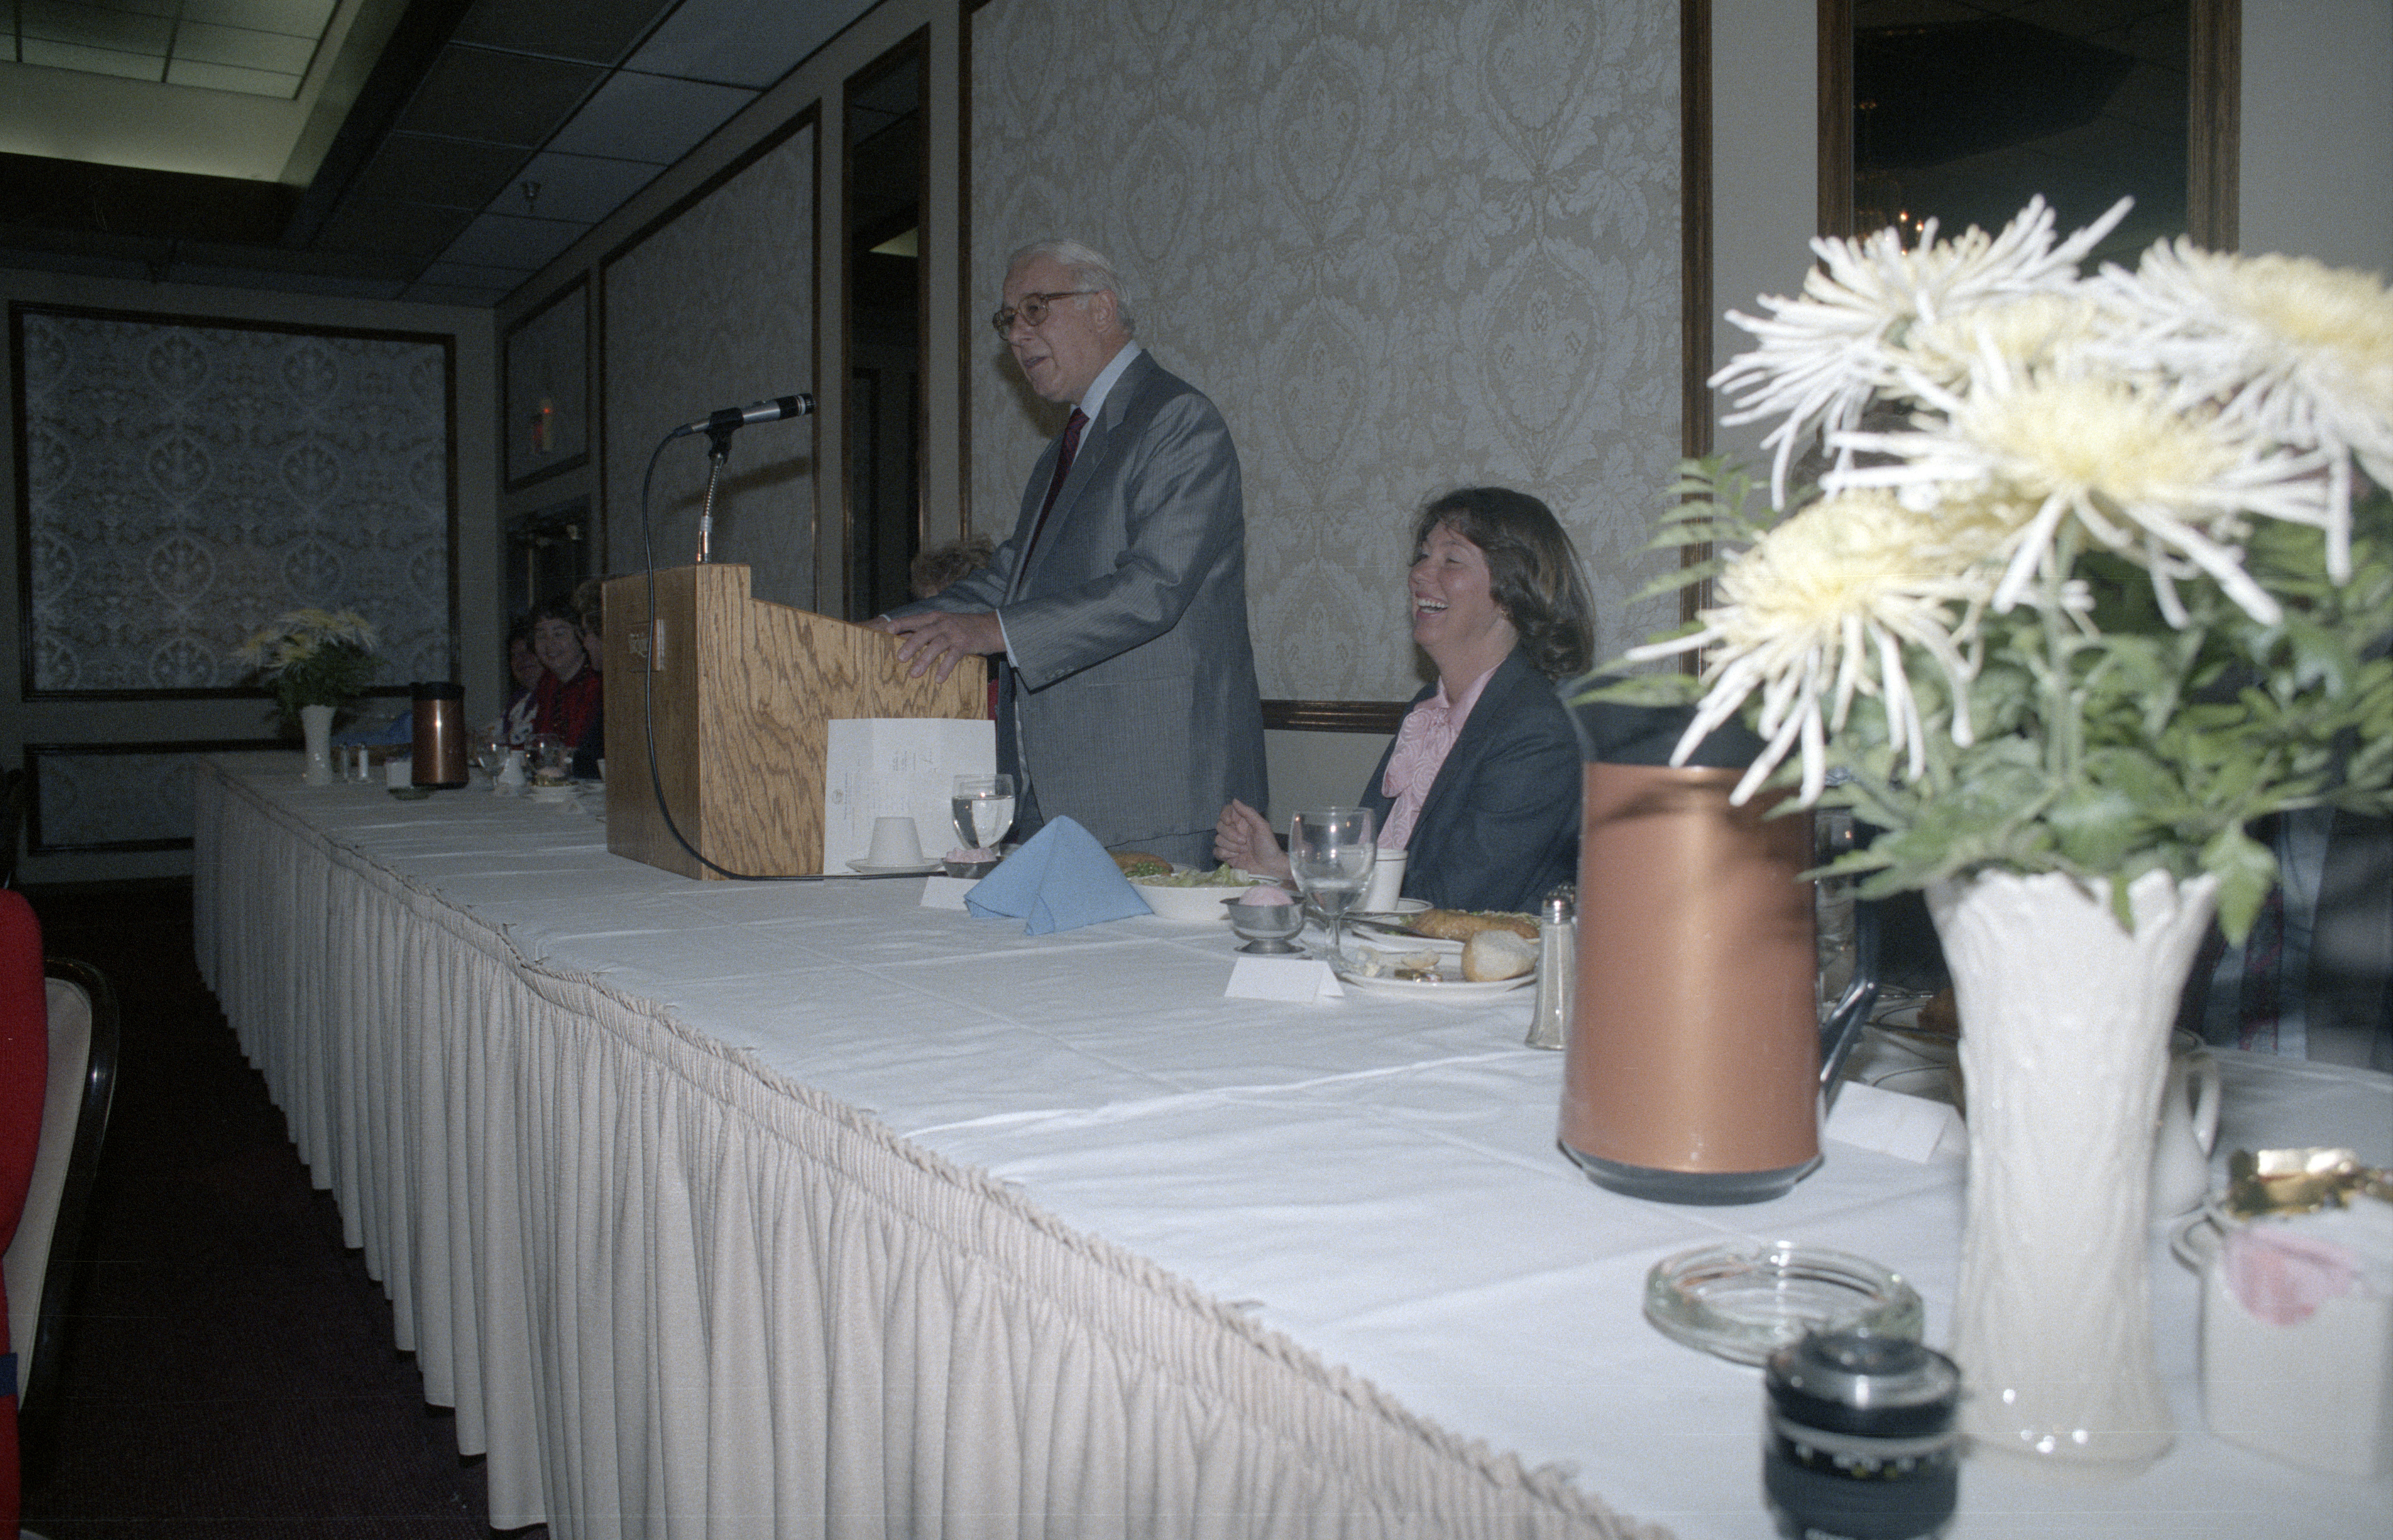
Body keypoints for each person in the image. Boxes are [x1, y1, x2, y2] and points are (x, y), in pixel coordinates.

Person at [873, 239, 1266, 867]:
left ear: (1101, 308)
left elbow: (1155, 588)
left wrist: (992, 631)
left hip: (1154, 798)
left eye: (1035, 309)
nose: (1016, 335)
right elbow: (1011, 580)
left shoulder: (1176, 420)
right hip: (1055, 798)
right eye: (1008, 319)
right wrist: (885, 629)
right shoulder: (1061, 453)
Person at [1215, 487, 1593, 914]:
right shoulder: (1427, 706)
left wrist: (1297, 869)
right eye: (1423, 555)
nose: (1419, 574)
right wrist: (1280, 865)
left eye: (1451, 560)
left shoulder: (1539, 729)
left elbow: (1455, 901)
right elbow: (1374, 862)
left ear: (1511, 594)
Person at [529, 597, 603, 775]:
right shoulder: (548, 682)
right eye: (541, 636)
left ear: (581, 637)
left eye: (559, 634)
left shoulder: (599, 681)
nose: (549, 645)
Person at [501, 618, 542, 746]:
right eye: (515, 655)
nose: (523, 660)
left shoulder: (556, 698)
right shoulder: (517, 702)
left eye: (529, 652)